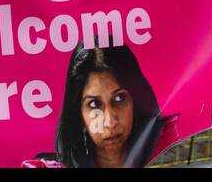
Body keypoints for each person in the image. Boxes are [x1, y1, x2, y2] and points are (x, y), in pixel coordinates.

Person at [26, 44, 176, 168]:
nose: (110, 122)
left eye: (119, 98)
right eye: (94, 104)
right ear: (79, 117)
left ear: (135, 103)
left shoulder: (172, 151)